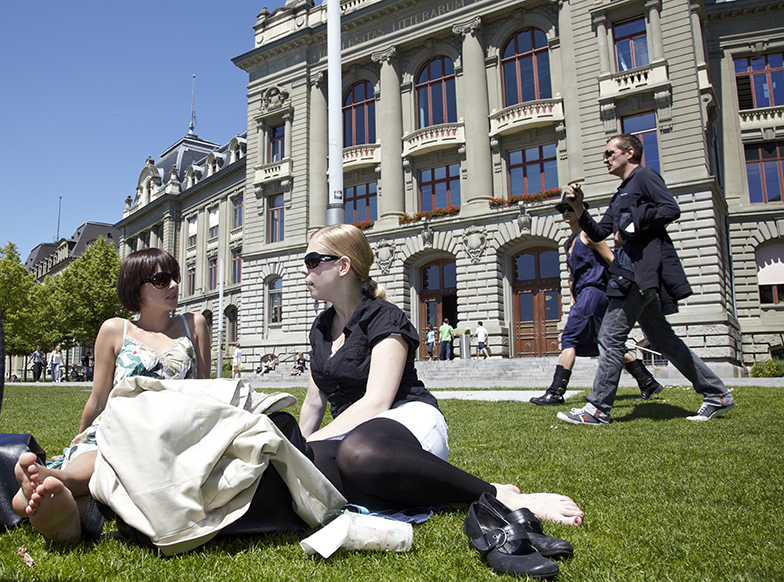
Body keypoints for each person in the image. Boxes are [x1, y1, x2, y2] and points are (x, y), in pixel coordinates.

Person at [298, 224, 584, 526]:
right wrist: (292, 456)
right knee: (313, 470)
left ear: (343, 265)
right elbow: (314, 403)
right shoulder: (320, 327)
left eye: (312, 261)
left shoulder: (383, 316)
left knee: (359, 452)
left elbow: (376, 403)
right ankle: (418, 491)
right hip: (347, 433)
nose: (305, 271)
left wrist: (306, 446)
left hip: (402, 422)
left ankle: (497, 496)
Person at [13, 248, 211, 542]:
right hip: (118, 423)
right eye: (161, 279)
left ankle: (55, 493)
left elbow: (204, 388)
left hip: (170, 428)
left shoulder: (193, 324)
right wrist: (78, 443)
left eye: (175, 277)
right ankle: (61, 491)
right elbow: (98, 398)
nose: (173, 285)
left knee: (124, 450)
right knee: (103, 443)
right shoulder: (115, 330)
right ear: (135, 287)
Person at [556, 134, 736, 425]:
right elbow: (599, 232)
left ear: (629, 152)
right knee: (663, 338)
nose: (605, 158)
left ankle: (597, 408)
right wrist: (579, 207)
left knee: (610, 337)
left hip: (638, 270)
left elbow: (670, 209)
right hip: (632, 268)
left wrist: (631, 227)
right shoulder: (622, 191)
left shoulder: (645, 177)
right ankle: (718, 395)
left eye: (609, 153)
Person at [530, 195, 662, 405]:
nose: (566, 212)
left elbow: (612, 260)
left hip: (595, 292)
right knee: (606, 343)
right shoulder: (568, 242)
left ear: (579, 209)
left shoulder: (588, 235)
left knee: (570, 338)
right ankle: (647, 381)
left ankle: (555, 392)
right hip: (584, 294)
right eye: (562, 209)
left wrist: (632, 286)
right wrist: (572, 297)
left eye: (570, 208)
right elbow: (573, 275)